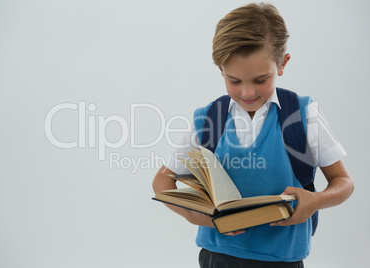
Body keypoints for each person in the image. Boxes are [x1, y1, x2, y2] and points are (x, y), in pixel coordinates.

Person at [152, 2, 354, 267]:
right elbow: (162, 184)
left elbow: (343, 182)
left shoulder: (303, 115)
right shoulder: (208, 119)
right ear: (221, 70)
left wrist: (315, 201)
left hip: (283, 260)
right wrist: (198, 216)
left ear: (282, 64)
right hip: (217, 258)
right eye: (234, 80)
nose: (247, 93)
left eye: (260, 80)